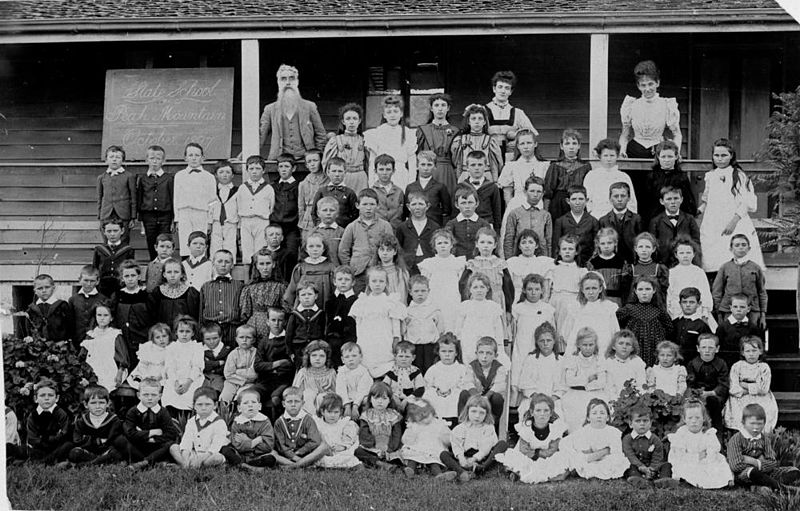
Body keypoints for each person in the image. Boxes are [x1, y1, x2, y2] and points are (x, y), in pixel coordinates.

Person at [699, 138, 765, 273]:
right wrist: (699, 210)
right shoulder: (711, 176)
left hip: (734, 220)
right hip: (713, 220)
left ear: (731, 156)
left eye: (724, 155)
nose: (720, 159)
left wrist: (734, 222)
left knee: (734, 252)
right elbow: (707, 199)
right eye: (716, 155)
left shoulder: (739, 176)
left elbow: (746, 202)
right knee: (713, 254)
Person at [495, 393, 570, 484]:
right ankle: (518, 472)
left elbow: (553, 449)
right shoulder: (526, 428)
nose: (542, 414)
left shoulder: (555, 428)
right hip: (528, 456)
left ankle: (544, 474)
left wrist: (539, 454)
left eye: (546, 411)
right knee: (516, 459)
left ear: (551, 413)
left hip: (547, 457)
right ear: (531, 412)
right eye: (538, 410)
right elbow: (524, 449)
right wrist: (534, 455)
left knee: (560, 460)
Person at [727, 403, 800, 494]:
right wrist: (760, 464)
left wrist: (755, 462)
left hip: (765, 472)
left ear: (764, 423)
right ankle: (782, 488)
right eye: (752, 423)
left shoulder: (764, 439)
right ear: (743, 423)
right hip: (745, 474)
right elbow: (735, 465)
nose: (756, 427)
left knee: (794, 471)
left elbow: (772, 462)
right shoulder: (736, 439)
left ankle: (764, 485)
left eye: (759, 424)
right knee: (753, 472)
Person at [258, 64, 327, 161]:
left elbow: (321, 134)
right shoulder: (270, 109)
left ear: (297, 82)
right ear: (278, 82)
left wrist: (316, 156)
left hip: (305, 160)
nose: (288, 83)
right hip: (280, 161)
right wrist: (244, 155)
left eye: (291, 78)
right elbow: (260, 136)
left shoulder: (310, 106)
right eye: (283, 79)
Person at [348, 266, 406, 378]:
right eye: (374, 281)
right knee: (367, 360)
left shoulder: (391, 301)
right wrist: (359, 339)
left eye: (381, 281)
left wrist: (396, 339)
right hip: (367, 339)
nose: (377, 284)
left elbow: (395, 323)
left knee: (384, 360)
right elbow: (358, 323)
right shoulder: (362, 302)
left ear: (386, 283)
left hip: (384, 338)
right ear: (368, 283)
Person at [619, 60, 682, 159]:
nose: (647, 89)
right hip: (634, 152)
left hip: (659, 153)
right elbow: (624, 135)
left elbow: (677, 134)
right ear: (638, 86)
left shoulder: (667, 105)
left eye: (650, 84)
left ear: (657, 83)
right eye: (643, 85)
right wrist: (622, 151)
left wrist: (676, 153)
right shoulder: (631, 105)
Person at [115, 377, 180, 470]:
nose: (150, 398)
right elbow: (130, 433)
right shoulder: (133, 411)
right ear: (138, 395)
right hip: (138, 446)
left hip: (157, 446)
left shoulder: (163, 412)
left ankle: (143, 463)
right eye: (145, 395)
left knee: (170, 444)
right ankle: (151, 462)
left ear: (160, 396)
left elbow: (171, 433)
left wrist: (152, 440)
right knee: (120, 440)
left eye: (153, 395)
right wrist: (152, 432)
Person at [338, 188, 394, 294]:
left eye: (372, 204)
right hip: (358, 273)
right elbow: (343, 250)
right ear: (357, 205)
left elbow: (391, 247)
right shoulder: (352, 227)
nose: (368, 208)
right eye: (365, 204)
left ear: (377, 206)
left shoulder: (385, 226)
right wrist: (351, 268)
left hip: (379, 271)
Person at [668, 399, 733, 489]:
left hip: (706, 460)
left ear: (703, 418)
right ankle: (688, 481)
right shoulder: (682, 433)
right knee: (684, 467)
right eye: (690, 418)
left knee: (720, 461)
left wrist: (708, 460)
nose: (694, 421)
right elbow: (679, 455)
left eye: (697, 417)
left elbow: (713, 449)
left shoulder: (708, 433)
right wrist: (696, 457)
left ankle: (726, 479)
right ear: (684, 419)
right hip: (688, 460)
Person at [510, 275, 555, 400]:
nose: (533, 292)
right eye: (530, 289)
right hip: (522, 347)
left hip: (540, 349)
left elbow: (551, 332)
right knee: (518, 375)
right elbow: (513, 331)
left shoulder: (548, 309)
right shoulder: (517, 309)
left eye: (536, 289)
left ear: (542, 290)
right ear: (524, 290)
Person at [7, 379, 72, 464]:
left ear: (57, 398)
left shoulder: (61, 414)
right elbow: (32, 438)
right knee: (10, 447)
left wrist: (47, 439)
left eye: (50, 395)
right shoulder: (33, 416)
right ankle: (44, 461)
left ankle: (39, 462)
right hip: (38, 449)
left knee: (68, 445)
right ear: (35, 399)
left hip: (56, 448)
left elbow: (64, 434)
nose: (46, 398)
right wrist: (46, 440)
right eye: (42, 395)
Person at [459, 227, 514, 329]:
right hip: (476, 303)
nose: (485, 246)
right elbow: (463, 287)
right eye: (482, 242)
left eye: (489, 243)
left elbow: (508, 288)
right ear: (476, 244)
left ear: (495, 245)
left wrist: (508, 310)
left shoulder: (500, 264)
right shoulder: (472, 264)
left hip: (497, 301)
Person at [561, 398, 629, 480]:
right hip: (589, 458)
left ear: (607, 417)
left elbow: (616, 451)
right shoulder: (584, 431)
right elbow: (572, 445)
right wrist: (600, 453)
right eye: (594, 413)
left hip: (606, 459)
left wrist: (606, 453)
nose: (599, 416)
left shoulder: (613, 432)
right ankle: (585, 470)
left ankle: (596, 471)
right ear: (588, 418)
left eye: (602, 413)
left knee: (616, 461)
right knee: (577, 459)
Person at [723, 336, 778, 434]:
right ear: (743, 353)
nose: (751, 354)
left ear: (760, 351)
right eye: (748, 351)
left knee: (764, 412)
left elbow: (764, 389)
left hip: (761, 397)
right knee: (740, 414)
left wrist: (745, 385)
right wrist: (749, 389)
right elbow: (733, 388)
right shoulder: (737, 366)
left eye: (754, 350)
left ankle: (760, 437)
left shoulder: (763, 367)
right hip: (740, 398)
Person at [712, 234, 767, 330]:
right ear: (731, 249)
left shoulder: (755, 268)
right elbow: (717, 291)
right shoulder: (725, 267)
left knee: (751, 336)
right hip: (729, 310)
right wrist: (719, 313)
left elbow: (762, 292)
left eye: (743, 245)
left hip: (752, 310)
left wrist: (762, 314)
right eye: (737, 245)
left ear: (749, 248)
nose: (740, 248)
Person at [616, 276, 674, 367]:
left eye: (647, 289)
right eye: (640, 289)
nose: (644, 293)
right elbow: (616, 325)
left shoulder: (659, 311)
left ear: (654, 290)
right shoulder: (628, 309)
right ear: (635, 291)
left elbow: (670, 330)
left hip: (654, 349)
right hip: (634, 349)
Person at [497, 130, 549, 232]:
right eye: (522, 143)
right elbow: (507, 192)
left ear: (535, 144)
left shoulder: (544, 166)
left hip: (538, 204)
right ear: (518, 146)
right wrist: (512, 208)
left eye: (529, 143)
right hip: (517, 203)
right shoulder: (511, 166)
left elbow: (547, 192)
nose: (526, 146)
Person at [418, 229, 466, 333]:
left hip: (452, 299)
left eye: (446, 243)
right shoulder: (429, 264)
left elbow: (461, 282)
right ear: (434, 246)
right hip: (435, 299)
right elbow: (424, 284)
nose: (443, 246)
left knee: (451, 325)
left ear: (451, 245)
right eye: (439, 243)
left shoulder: (457, 263)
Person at [364, 95, 417, 190]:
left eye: (396, 111)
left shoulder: (408, 133)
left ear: (401, 114)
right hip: (381, 174)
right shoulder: (376, 133)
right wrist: (372, 183)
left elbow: (412, 162)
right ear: (384, 115)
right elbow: (372, 161)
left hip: (401, 176)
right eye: (389, 112)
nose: (392, 115)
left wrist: (411, 184)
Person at [559, 328, 606, 433]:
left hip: (595, 392)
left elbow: (602, 381)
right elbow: (570, 380)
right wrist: (588, 379)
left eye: (591, 345)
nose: (588, 348)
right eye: (585, 345)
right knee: (575, 408)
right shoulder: (573, 359)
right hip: (576, 392)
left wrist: (588, 386)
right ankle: (577, 437)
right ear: (579, 345)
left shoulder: (599, 359)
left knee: (598, 407)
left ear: (595, 345)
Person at [173, 142, 216, 257]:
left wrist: (209, 221)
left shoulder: (209, 177)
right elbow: (176, 198)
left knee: (200, 244)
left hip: (201, 213)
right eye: (190, 155)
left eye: (197, 155)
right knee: (185, 244)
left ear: (203, 158)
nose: (194, 158)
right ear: (185, 158)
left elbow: (212, 201)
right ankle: (187, 272)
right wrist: (177, 219)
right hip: (184, 213)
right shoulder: (179, 175)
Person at [170, 387, 229, 468]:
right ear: (194, 406)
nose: (203, 408)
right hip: (194, 453)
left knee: (217, 458)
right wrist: (185, 455)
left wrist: (202, 458)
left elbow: (216, 445)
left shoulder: (219, 422)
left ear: (215, 405)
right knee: (174, 448)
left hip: (209, 455)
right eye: (199, 404)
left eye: (207, 404)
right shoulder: (191, 421)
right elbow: (187, 441)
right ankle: (185, 464)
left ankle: (186, 466)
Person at [485, 71, 538, 161]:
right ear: (494, 89)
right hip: (488, 156)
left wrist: (517, 137)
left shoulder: (518, 113)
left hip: (510, 157)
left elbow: (533, 134)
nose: (503, 91)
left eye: (507, 88)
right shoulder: (483, 111)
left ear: (511, 92)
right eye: (500, 87)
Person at [456, 272, 507, 366]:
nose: (479, 290)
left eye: (482, 287)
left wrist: (500, 348)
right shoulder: (465, 306)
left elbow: (498, 331)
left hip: (488, 344)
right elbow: (458, 329)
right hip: (469, 343)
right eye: (475, 287)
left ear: (487, 288)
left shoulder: (493, 307)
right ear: (470, 289)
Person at [545, 235, 586, 352]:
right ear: (559, 251)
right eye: (564, 249)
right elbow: (547, 290)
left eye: (570, 249)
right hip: (556, 302)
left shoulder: (580, 270)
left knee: (569, 331)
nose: (567, 252)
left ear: (576, 252)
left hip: (573, 303)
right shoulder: (553, 268)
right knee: (556, 329)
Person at [81, 302, 130, 399]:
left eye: (105, 315)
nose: (102, 318)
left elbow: (122, 356)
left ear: (111, 318)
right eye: (99, 315)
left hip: (110, 367)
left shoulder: (114, 334)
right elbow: (83, 355)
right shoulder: (91, 334)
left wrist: (119, 373)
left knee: (106, 386)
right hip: (92, 366)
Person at [642, 140, 696, 226]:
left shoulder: (682, 177)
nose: (666, 160)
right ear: (658, 157)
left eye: (670, 156)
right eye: (663, 157)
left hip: (678, 220)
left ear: (676, 157)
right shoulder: (651, 177)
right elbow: (646, 202)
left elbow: (688, 202)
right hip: (656, 219)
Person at [563, 272, 619, 356]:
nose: (591, 292)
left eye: (594, 288)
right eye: (587, 288)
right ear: (582, 289)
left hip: (602, 350)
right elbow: (566, 332)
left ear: (600, 289)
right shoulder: (575, 307)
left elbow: (615, 331)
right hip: (580, 352)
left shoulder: (608, 307)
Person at [66, 385, 123, 467]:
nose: (97, 406)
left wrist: (87, 438)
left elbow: (112, 440)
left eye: (101, 402)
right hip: (88, 451)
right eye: (93, 403)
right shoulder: (82, 421)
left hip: (107, 451)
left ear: (108, 403)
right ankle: (100, 462)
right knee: (74, 453)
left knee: (117, 453)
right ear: (86, 404)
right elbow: (77, 440)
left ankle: (87, 465)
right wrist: (96, 441)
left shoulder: (114, 420)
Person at [459, 337, 507, 432]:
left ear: (495, 355)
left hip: (490, 400)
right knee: (464, 394)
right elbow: (468, 382)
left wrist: (486, 397)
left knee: (498, 398)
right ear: (476, 354)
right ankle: (462, 425)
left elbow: (499, 385)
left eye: (489, 353)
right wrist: (477, 397)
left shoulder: (499, 368)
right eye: (481, 352)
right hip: (474, 398)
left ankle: (493, 426)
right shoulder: (472, 366)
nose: (484, 356)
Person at [686, 333, 730, 439]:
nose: (707, 350)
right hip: (697, 394)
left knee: (713, 402)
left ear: (717, 349)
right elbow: (690, 382)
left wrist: (711, 393)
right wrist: (697, 393)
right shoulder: (692, 364)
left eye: (710, 348)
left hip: (716, 395)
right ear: (698, 348)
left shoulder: (721, 364)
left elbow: (723, 384)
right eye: (703, 347)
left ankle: (717, 436)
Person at [423, 333, 472, 427]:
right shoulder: (434, 369)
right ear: (438, 352)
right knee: (429, 395)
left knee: (456, 397)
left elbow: (464, 383)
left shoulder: (461, 369)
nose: (447, 355)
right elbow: (427, 384)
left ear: (456, 353)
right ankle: (434, 422)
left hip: (454, 393)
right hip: (438, 394)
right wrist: (436, 391)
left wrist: (451, 391)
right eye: (444, 351)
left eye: (450, 351)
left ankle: (453, 422)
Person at [253, 307, 294, 421]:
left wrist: (270, 367)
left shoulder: (289, 340)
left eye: (280, 320)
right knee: (252, 394)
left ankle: (278, 428)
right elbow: (257, 366)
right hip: (265, 381)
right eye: (273, 320)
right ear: (267, 322)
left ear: (285, 322)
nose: (276, 323)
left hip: (283, 381)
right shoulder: (263, 342)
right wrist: (278, 363)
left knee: (276, 399)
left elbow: (290, 365)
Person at [622, 406, 677, 489]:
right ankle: (639, 481)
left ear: (650, 423)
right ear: (630, 424)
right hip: (636, 466)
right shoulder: (627, 439)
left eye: (645, 421)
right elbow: (629, 455)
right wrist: (641, 466)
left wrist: (652, 468)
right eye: (638, 421)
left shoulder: (655, 439)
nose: (642, 424)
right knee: (629, 466)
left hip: (653, 467)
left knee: (667, 465)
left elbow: (658, 455)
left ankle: (663, 480)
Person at [161, 315, 205, 418]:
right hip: (175, 379)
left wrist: (188, 383)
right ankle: (172, 420)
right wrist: (175, 382)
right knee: (170, 394)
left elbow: (197, 367)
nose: (184, 334)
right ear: (176, 332)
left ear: (193, 333)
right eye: (181, 331)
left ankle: (186, 420)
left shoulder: (197, 347)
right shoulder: (171, 347)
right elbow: (170, 367)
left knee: (189, 395)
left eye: (188, 331)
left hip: (191, 378)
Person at [272, 386, 328, 468]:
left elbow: (315, 441)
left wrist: (300, 452)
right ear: (284, 404)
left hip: (306, 454)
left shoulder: (308, 419)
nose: (293, 405)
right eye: (289, 402)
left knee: (323, 447)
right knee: (272, 453)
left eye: (297, 401)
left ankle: (292, 466)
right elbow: (281, 445)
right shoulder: (279, 422)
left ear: (302, 403)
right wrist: (292, 456)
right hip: (286, 455)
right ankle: (303, 464)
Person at [543, 128, 592, 221]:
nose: (571, 147)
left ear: (579, 146)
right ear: (561, 146)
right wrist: (546, 211)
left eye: (574, 143)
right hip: (558, 205)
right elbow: (548, 192)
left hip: (578, 202)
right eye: (567, 143)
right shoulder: (555, 166)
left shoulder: (585, 166)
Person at [416, 93, 459, 197]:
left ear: (448, 108)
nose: (440, 109)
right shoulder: (423, 130)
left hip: (448, 172)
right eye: (436, 105)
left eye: (443, 105)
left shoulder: (455, 131)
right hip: (428, 170)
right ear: (431, 108)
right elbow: (418, 154)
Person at [240, 248, 287, 343]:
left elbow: (286, 310)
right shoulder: (249, 288)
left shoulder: (281, 287)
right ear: (256, 266)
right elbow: (245, 313)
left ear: (273, 264)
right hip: (254, 327)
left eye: (268, 263)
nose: (265, 267)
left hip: (275, 325)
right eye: (261, 264)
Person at [223, 388, 277, 471]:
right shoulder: (237, 422)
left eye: (253, 402)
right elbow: (237, 446)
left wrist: (247, 441)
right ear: (239, 408)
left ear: (259, 406)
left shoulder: (264, 421)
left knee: (270, 458)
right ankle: (246, 466)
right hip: (240, 455)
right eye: (245, 403)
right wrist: (255, 441)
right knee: (225, 450)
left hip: (258, 456)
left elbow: (268, 446)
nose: (250, 405)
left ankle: (244, 465)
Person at [584, 139, 638, 220]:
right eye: (605, 155)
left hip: (619, 219)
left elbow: (631, 201)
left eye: (612, 155)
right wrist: (592, 215)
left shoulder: (623, 176)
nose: (609, 159)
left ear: (617, 156)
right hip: (597, 217)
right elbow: (587, 200)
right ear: (599, 156)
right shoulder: (591, 175)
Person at [238, 155, 275, 271]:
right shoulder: (242, 188)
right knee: (247, 252)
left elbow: (272, 207)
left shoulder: (268, 188)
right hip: (246, 221)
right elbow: (238, 205)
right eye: (251, 169)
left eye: (258, 169)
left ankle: (258, 277)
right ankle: (248, 280)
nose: (254, 172)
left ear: (263, 170)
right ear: (247, 170)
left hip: (262, 221)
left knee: (260, 251)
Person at [515, 322, 562, 414]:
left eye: (549, 340)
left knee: (558, 413)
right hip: (533, 399)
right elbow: (525, 382)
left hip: (554, 400)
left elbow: (562, 385)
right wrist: (537, 398)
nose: (545, 344)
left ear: (554, 341)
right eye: (542, 341)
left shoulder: (561, 361)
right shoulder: (531, 359)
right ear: (536, 342)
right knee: (526, 410)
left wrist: (552, 399)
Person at [354, 382, 403, 470]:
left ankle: (395, 465)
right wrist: (374, 444)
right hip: (372, 448)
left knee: (401, 454)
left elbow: (397, 433)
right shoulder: (366, 415)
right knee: (358, 451)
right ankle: (381, 464)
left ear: (389, 400)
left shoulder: (393, 415)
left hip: (389, 447)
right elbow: (363, 433)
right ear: (370, 399)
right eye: (376, 398)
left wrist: (390, 448)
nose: (380, 401)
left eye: (384, 398)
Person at [199, 250, 243, 348]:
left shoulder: (239, 286)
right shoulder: (205, 286)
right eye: (220, 261)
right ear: (213, 263)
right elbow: (200, 313)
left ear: (232, 265)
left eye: (227, 262)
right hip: (211, 332)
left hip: (232, 330)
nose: (223, 265)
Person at [398, 398, 452, 478]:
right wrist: (409, 436)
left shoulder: (439, 423)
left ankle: (439, 474)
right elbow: (405, 440)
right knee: (413, 458)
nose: (425, 420)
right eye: (421, 419)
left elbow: (449, 437)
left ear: (432, 411)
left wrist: (446, 439)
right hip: (417, 447)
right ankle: (410, 470)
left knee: (434, 462)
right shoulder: (413, 425)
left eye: (427, 416)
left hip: (434, 448)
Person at [648, 186, 700, 267]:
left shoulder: (689, 219)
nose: (673, 202)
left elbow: (696, 243)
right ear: (662, 201)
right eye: (668, 199)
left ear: (681, 199)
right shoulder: (656, 221)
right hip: (664, 263)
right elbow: (652, 245)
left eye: (676, 198)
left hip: (685, 262)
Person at [137, 145, 173, 261]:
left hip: (165, 216)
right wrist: (141, 219)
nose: (154, 161)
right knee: (152, 241)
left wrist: (173, 218)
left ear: (163, 161)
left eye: (158, 158)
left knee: (165, 241)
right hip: (149, 216)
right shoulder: (142, 179)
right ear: (146, 160)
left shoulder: (169, 178)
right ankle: (154, 264)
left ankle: (166, 265)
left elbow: (172, 198)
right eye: (152, 158)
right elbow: (139, 199)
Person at [502, 175, 552, 259]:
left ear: (543, 193)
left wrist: (548, 259)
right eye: (532, 191)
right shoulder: (515, 213)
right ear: (525, 192)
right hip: (519, 257)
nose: (535, 195)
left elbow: (548, 241)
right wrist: (509, 260)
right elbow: (509, 240)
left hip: (540, 258)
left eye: (539, 192)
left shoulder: (546, 215)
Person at [323, 103, 368, 193]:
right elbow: (326, 164)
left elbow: (368, 163)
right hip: (343, 178)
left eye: (355, 118)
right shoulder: (335, 140)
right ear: (343, 121)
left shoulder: (364, 140)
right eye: (348, 118)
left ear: (359, 121)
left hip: (360, 178)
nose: (351, 122)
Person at [450, 104, 502, 182]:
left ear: (484, 122)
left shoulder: (490, 141)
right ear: (469, 121)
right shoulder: (460, 140)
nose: (477, 122)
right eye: (473, 119)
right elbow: (456, 162)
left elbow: (495, 164)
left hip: (486, 175)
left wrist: (495, 181)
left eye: (480, 119)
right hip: (466, 175)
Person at [666, 238, 714, 322]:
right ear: (676, 255)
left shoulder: (698, 272)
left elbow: (705, 292)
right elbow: (669, 293)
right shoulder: (672, 272)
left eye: (688, 252)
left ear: (694, 254)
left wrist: (705, 310)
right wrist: (670, 310)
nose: (685, 256)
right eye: (681, 253)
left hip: (696, 309)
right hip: (677, 309)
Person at [284, 232, 335, 310]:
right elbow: (292, 287)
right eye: (311, 246)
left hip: (325, 302)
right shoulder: (301, 267)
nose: (315, 249)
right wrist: (289, 303)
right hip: (304, 303)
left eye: (318, 246)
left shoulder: (330, 267)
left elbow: (335, 287)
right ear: (306, 249)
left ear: (324, 248)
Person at [403, 274, 443, 374]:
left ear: (428, 291)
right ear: (410, 292)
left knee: (430, 371)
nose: (420, 294)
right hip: (414, 347)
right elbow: (403, 331)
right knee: (415, 372)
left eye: (423, 291)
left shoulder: (434, 309)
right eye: (416, 291)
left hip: (430, 347)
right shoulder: (406, 311)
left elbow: (441, 329)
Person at [551, 185, 598, 265]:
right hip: (566, 263)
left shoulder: (593, 221)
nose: (577, 202)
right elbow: (556, 247)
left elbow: (596, 245)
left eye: (581, 199)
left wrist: (591, 262)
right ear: (568, 201)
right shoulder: (561, 221)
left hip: (587, 263)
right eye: (573, 199)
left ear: (586, 200)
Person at [97, 145, 136, 242]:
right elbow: (100, 197)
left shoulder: (129, 176)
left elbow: (133, 197)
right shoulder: (102, 177)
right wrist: (100, 216)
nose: (114, 160)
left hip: (123, 214)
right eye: (111, 157)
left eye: (118, 157)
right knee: (107, 240)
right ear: (106, 160)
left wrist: (133, 217)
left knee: (124, 239)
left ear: (122, 160)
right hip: (106, 214)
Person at [395, 190, 440, 273]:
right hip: (408, 265)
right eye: (414, 204)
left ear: (427, 206)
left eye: (421, 204)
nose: (417, 207)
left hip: (429, 265)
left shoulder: (435, 227)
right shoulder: (402, 227)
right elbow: (399, 248)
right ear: (408, 207)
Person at [716, 293, 763, 370]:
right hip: (728, 363)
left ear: (748, 309)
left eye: (742, 307)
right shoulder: (723, 327)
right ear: (730, 308)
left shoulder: (752, 328)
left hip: (747, 364)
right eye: (735, 307)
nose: (738, 309)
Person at [313, 392, 361, 469]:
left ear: (341, 412)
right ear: (322, 412)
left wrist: (343, 446)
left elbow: (349, 439)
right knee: (318, 457)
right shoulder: (318, 423)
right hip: (323, 451)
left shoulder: (344, 423)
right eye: (329, 412)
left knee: (347, 457)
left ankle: (336, 464)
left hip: (340, 450)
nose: (332, 415)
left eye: (336, 412)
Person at [597, 182, 641, 264]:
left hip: (632, 261)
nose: (619, 199)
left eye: (623, 196)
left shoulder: (636, 219)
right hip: (611, 262)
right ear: (610, 199)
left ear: (628, 198)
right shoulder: (603, 220)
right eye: (616, 196)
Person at [285, 281, 326, 368]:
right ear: (298, 297)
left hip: (316, 348)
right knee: (301, 369)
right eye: (303, 295)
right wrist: (290, 351)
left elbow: (323, 332)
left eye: (310, 294)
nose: (306, 297)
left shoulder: (320, 314)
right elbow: (289, 334)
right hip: (299, 349)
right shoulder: (295, 315)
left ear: (316, 296)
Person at [445, 184, 492, 260]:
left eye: (470, 202)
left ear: (476, 203)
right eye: (463, 203)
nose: (467, 206)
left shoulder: (484, 224)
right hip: (457, 261)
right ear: (457, 205)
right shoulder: (451, 224)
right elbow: (448, 245)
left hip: (478, 261)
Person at [404, 152, 451, 228]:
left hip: (434, 225)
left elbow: (447, 211)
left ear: (435, 166)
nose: (426, 168)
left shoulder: (440, 187)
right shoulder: (410, 187)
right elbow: (406, 211)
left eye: (429, 165)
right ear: (417, 166)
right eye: (423, 165)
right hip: (414, 226)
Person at [586, 227, 631, 306]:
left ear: (615, 243)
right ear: (598, 244)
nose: (606, 246)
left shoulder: (621, 262)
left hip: (616, 300)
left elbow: (625, 287)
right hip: (598, 301)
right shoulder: (593, 263)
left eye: (609, 243)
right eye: (603, 243)